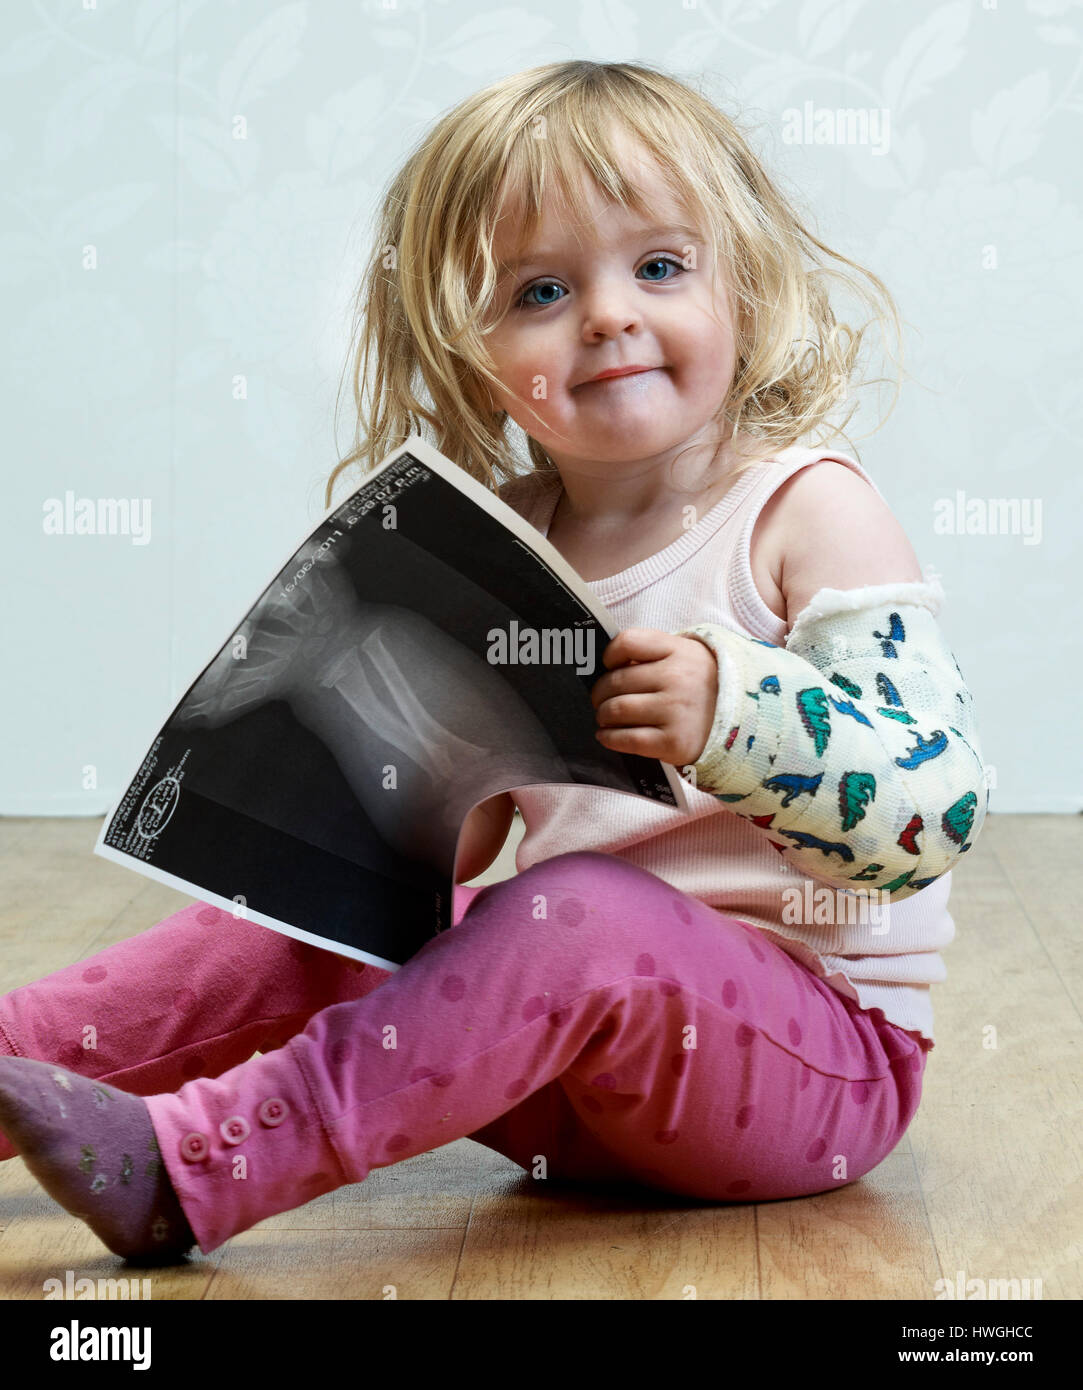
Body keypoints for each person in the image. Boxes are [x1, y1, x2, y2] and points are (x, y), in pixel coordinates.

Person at [0, 60, 988, 1264]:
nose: (609, 315)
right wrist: (392, 779)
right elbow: (469, 854)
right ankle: (13, 1060)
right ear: (470, 352)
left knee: (579, 911)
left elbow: (938, 809)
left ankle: (190, 1166)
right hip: (561, 1076)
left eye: (660, 267)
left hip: (812, 1071)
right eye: (542, 290)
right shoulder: (498, 545)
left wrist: (737, 714)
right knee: (312, 925)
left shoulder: (805, 511)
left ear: (745, 284)